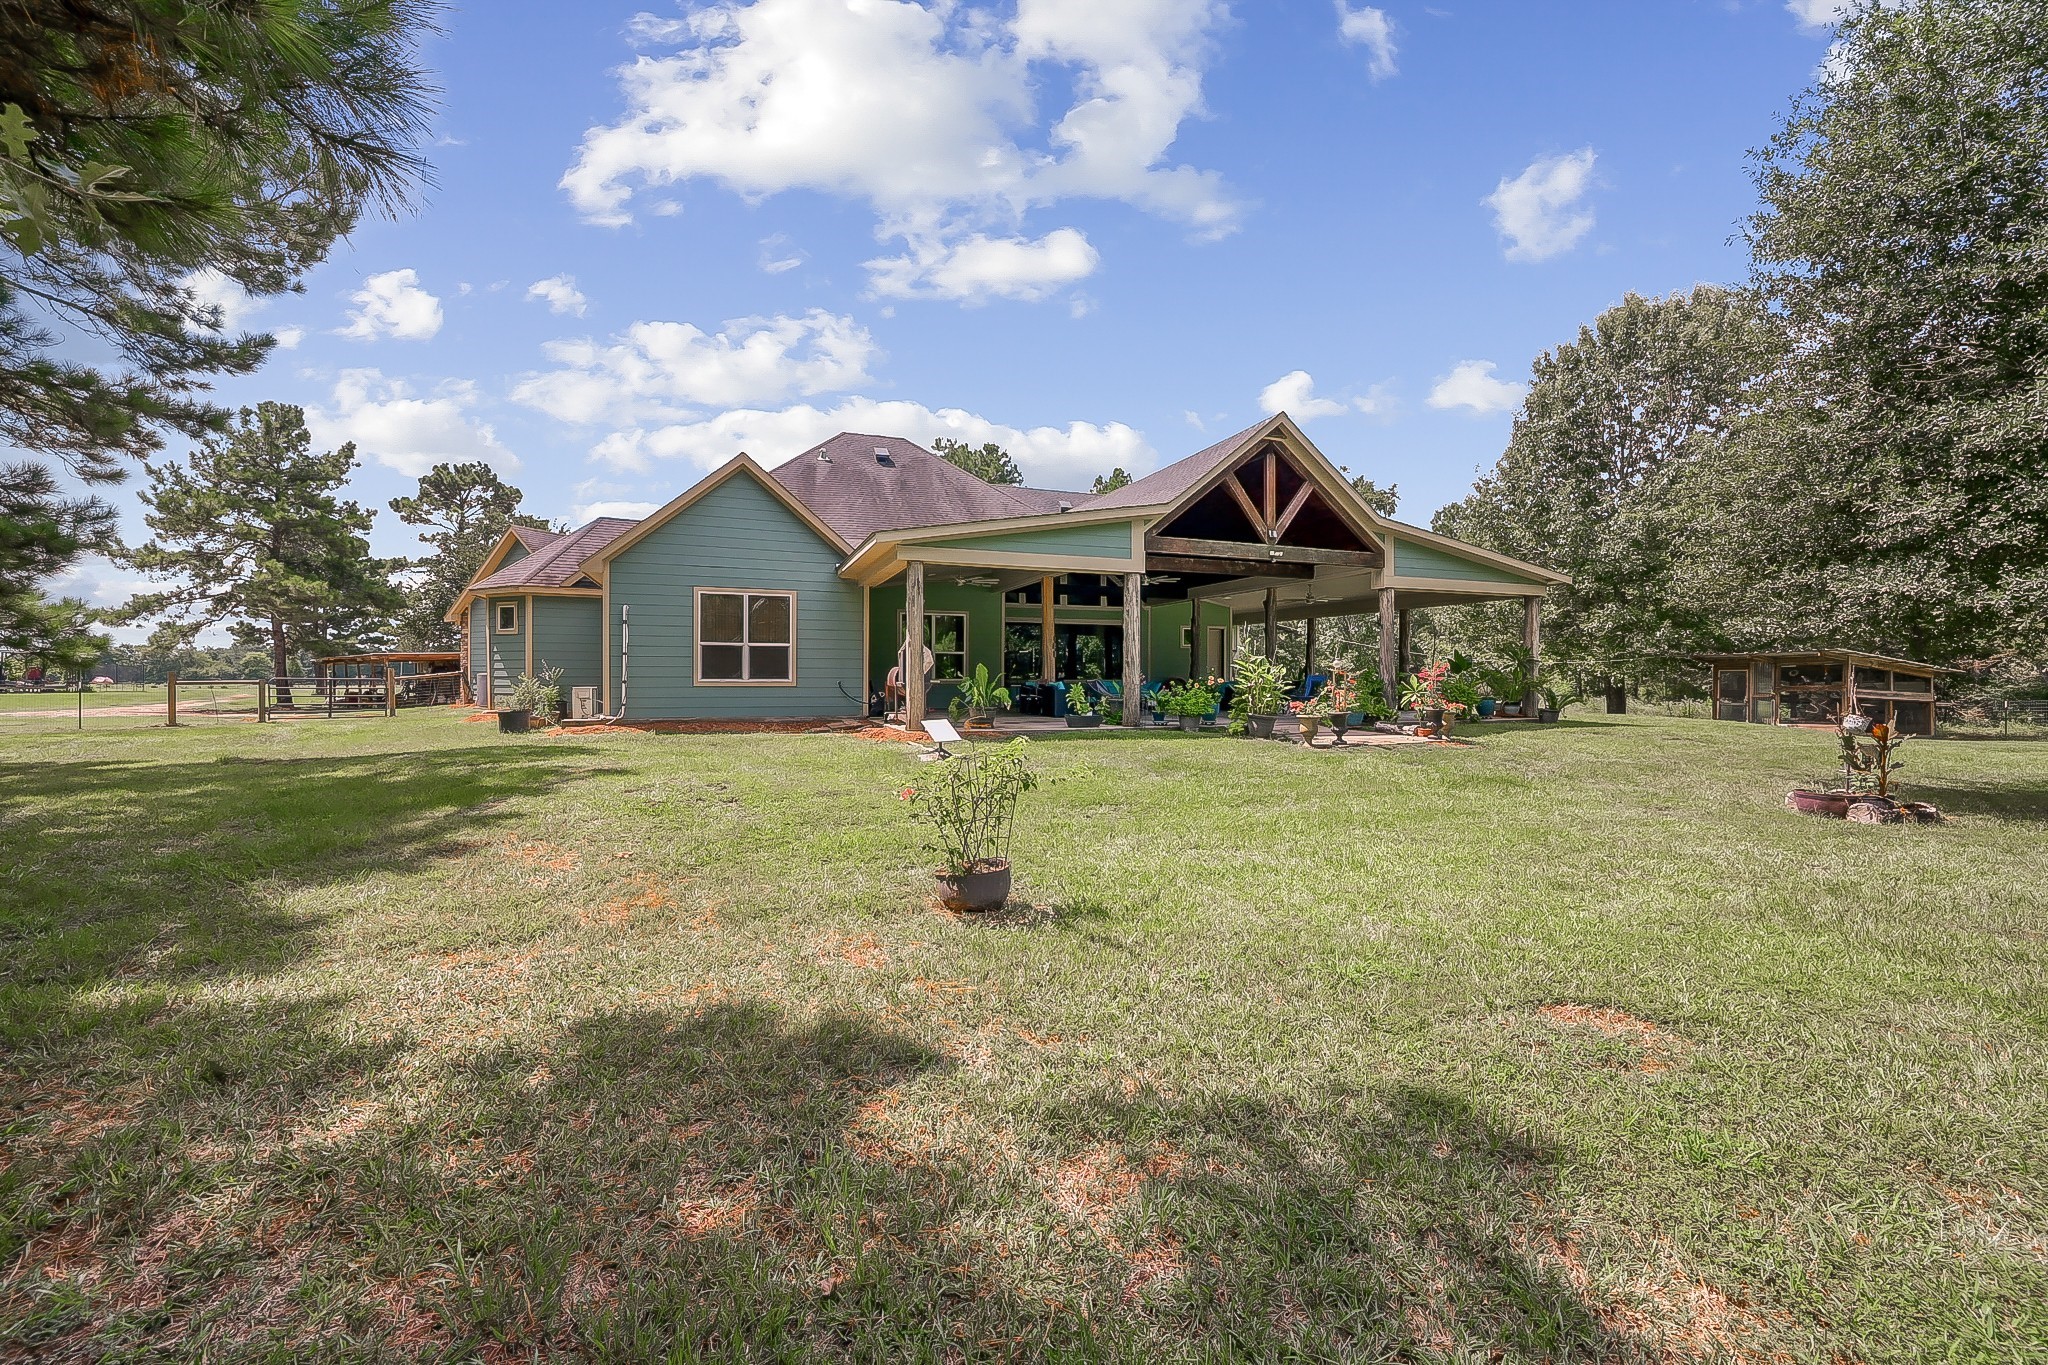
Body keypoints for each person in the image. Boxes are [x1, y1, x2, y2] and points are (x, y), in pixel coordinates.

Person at [886, 640, 937, 716]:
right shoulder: (905, 650)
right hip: (904, 681)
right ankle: (908, 709)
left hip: (921, 680)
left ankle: (917, 711)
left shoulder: (924, 652)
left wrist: (920, 672)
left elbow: (929, 662)